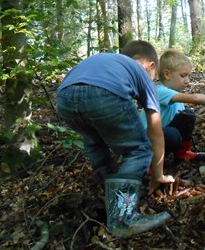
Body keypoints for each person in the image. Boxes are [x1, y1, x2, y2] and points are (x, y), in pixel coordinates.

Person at [56, 40, 174, 238]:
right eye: (154, 76)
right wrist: (158, 175)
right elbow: (156, 131)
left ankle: (107, 193)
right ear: (151, 66)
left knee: (95, 142)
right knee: (139, 151)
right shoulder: (143, 75)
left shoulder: (108, 61)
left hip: (64, 96)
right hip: (104, 94)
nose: (153, 80)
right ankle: (123, 219)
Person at [141, 49, 205, 162]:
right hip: (145, 142)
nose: (187, 81)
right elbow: (195, 98)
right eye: (183, 76)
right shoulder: (160, 91)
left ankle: (182, 153)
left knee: (187, 115)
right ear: (167, 74)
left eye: (188, 76)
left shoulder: (176, 97)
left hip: (160, 137)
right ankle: (149, 164)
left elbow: (186, 123)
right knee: (172, 134)